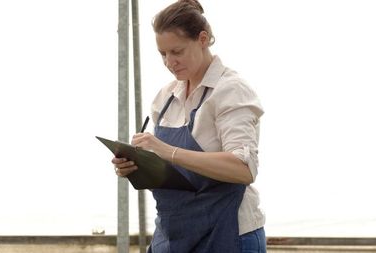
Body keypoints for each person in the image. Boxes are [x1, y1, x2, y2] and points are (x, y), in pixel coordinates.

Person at [112, 0, 266, 252]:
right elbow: (172, 174)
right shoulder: (165, 97)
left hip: (227, 235)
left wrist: (167, 151)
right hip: (174, 236)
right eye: (163, 54)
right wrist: (135, 166)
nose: (169, 62)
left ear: (202, 39)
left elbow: (244, 169)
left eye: (177, 51)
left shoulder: (230, 90)